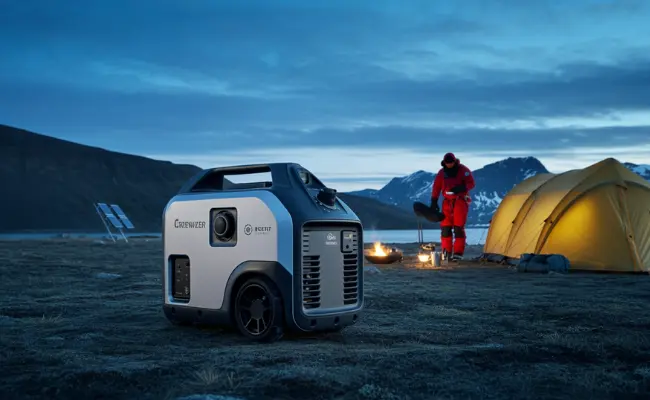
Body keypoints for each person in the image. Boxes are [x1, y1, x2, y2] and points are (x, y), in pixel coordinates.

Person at [430, 152, 475, 261]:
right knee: (445, 228)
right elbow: (436, 187)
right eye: (447, 163)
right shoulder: (441, 173)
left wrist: (461, 188)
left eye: (451, 163)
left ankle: (458, 253)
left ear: (455, 161)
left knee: (458, 228)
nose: (449, 165)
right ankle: (447, 252)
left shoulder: (463, 170)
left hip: (460, 201)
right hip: (447, 202)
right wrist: (434, 201)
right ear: (444, 163)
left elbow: (471, 183)